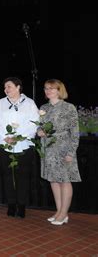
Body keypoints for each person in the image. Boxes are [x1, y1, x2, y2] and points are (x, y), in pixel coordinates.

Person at [0, 77, 39, 218]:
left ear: (18, 87)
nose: (6, 90)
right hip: (5, 143)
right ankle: (11, 204)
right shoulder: (1, 103)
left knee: (23, 176)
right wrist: (6, 136)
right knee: (7, 176)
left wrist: (18, 137)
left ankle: (22, 205)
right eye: (5, 87)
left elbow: (34, 123)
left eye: (9, 87)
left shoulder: (30, 103)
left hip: (24, 144)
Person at [38, 79, 81, 226]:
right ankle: (58, 211)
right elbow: (40, 126)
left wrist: (71, 152)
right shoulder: (44, 107)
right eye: (46, 88)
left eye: (52, 88)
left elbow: (75, 132)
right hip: (48, 149)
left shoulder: (69, 108)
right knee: (53, 180)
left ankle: (64, 213)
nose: (48, 91)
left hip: (63, 148)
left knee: (65, 180)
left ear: (59, 90)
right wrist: (39, 131)